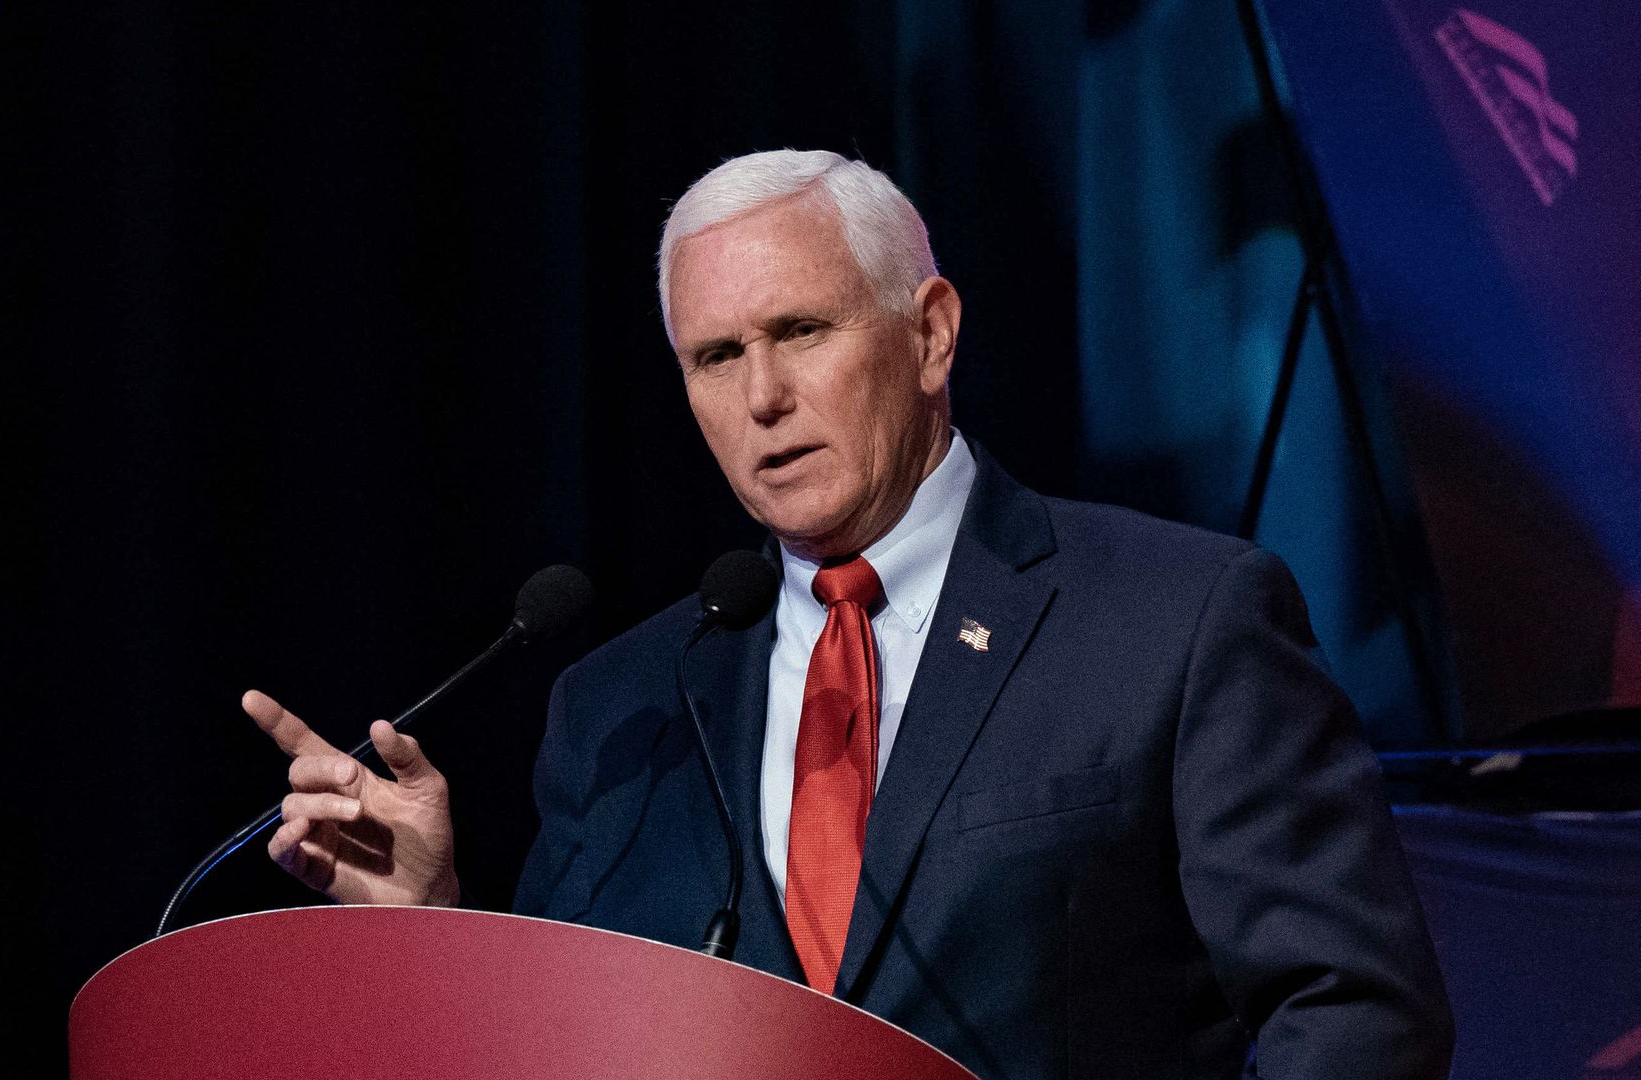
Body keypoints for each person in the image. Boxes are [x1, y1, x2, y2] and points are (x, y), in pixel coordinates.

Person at [243, 149, 1455, 1079]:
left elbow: (1354, 1014)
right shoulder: (618, 707)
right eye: (715, 357)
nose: (762, 396)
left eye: (801, 332)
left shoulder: (1175, 623)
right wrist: (443, 929)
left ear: (930, 334)